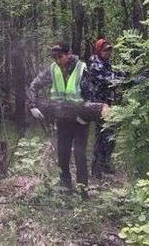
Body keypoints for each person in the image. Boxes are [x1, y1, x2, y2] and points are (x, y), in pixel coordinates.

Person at [28, 42, 91, 190]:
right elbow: (34, 85)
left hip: (80, 120)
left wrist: (85, 113)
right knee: (63, 154)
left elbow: (90, 94)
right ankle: (65, 187)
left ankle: (83, 189)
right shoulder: (53, 69)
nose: (57, 60)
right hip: (62, 119)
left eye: (60, 56)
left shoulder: (81, 68)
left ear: (68, 54)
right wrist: (33, 105)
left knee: (80, 154)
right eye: (54, 57)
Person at [87, 38, 125, 178]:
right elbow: (109, 80)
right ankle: (96, 169)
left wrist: (127, 74)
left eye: (109, 50)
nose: (108, 52)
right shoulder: (95, 64)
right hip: (97, 105)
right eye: (105, 50)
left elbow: (117, 74)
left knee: (111, 134)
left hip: (108, 104)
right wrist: (126, 79)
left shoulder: (107, 63)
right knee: (102, 135)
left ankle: (105, 163)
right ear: (99, 51)